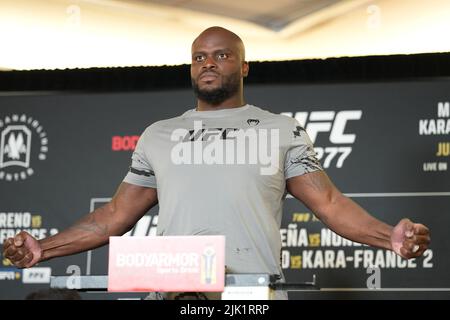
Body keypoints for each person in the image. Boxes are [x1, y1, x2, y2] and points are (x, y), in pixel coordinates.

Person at [2, 26, 430, 300]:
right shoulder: (159, 135)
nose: (208, 62)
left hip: (246, 298)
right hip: (174, 294)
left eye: (222, 55)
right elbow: (113, 216)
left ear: (243, 65)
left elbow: (331, 203)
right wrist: (44, 249)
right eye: (199, 57)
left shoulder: (280, 129)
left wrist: (388, 237)